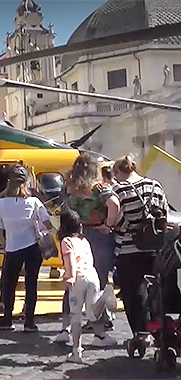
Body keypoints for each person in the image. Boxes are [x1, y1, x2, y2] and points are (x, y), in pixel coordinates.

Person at [112, 154, 169, 347]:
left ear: (119, 172)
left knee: (133, 291)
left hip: (130, 248)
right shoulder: (155, 185)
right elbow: (165, 213)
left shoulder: (119, 189)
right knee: (157, 289)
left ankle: (141, 333)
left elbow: (119, 222)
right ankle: (160, 327)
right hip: (156, 247)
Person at [0, 164, 54, 332]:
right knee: (31, 284)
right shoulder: (34, 202)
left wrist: (7, 244)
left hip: (12, 248)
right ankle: (29, 322)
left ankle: (7, 319)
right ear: (26, 183)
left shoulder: (1, 203)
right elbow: (48, 224)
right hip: (33, 247)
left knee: (9, 284)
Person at [65, 154, 120, 330]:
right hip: (99, 233)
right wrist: (108, 224)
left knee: (77, 276)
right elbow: (114, 203)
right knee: (99, 278)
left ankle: (73, 322)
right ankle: (100, 319)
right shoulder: (98, 188)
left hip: (79, 234)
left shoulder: (72, 188)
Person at [57, 208, 118, 363]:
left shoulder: (66, 241)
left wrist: (69, 277)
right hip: (92, 275)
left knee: (76, 315)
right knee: (91, 313)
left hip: (78, 278)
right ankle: (103, 298)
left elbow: (70, 259)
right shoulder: (84, 240)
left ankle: (77, 351)